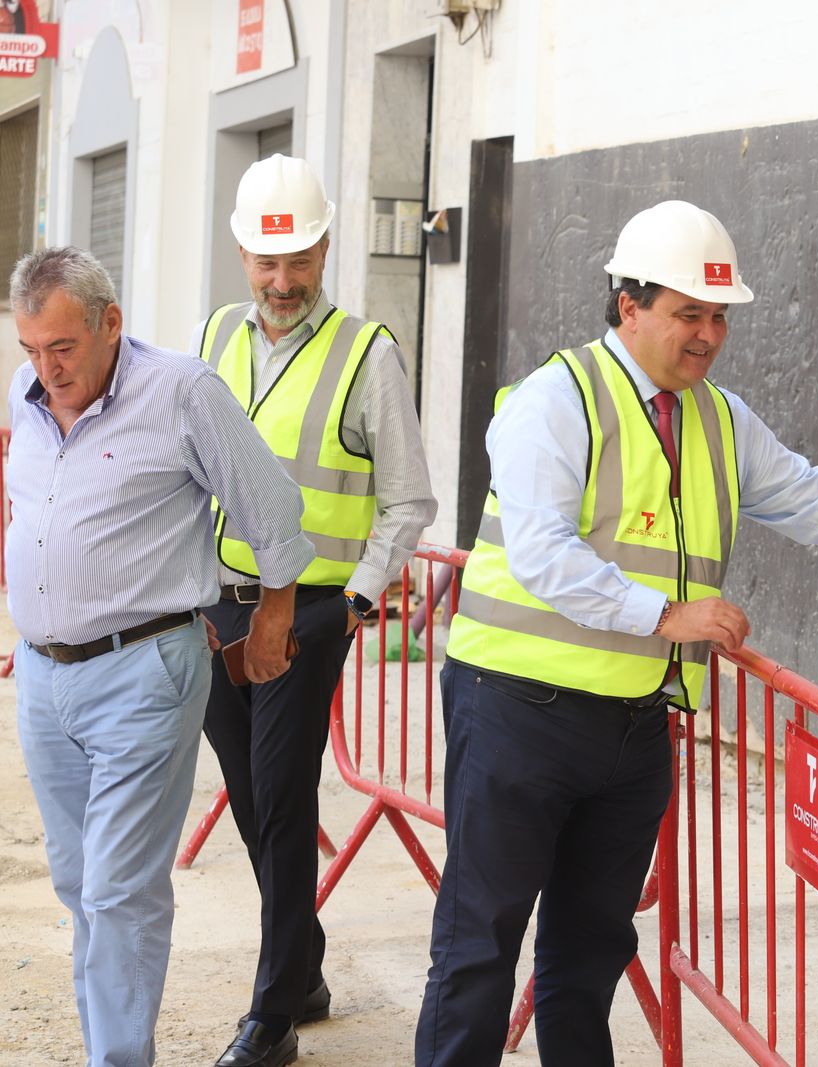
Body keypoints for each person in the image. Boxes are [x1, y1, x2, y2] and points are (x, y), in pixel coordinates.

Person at [413, 199, 818, 1065]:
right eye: (686, 314)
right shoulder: (554, 400)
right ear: (628, 305)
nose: (706, 335)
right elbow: (542, 553)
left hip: (630, 723)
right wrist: (666, 616)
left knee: (588, 955)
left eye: (718, 317)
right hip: (519, 712)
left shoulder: (717, 417)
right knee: (480, 943)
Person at [7, 246, 313, 1067]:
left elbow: (273, 505)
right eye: (29, 349)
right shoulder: (28, 393)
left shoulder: (182, 391)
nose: (45, 368)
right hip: (42, 674)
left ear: (111, 322)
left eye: (61, 348)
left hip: (142, 669)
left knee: (118, 893)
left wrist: (276, 616)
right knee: (80, 888)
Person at [189, 155, 437, 1067]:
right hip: (217, 605)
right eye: (266, 261)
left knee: (287, 801)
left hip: (310, 613)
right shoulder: (215, 334)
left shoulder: (366, 354)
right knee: (252, 799)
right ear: (244, 252)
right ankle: (308, 968)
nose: (283, 282)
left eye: (299, 261)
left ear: (326, 248)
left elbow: (409, 500)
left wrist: (359, 602)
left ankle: (272, 1020)